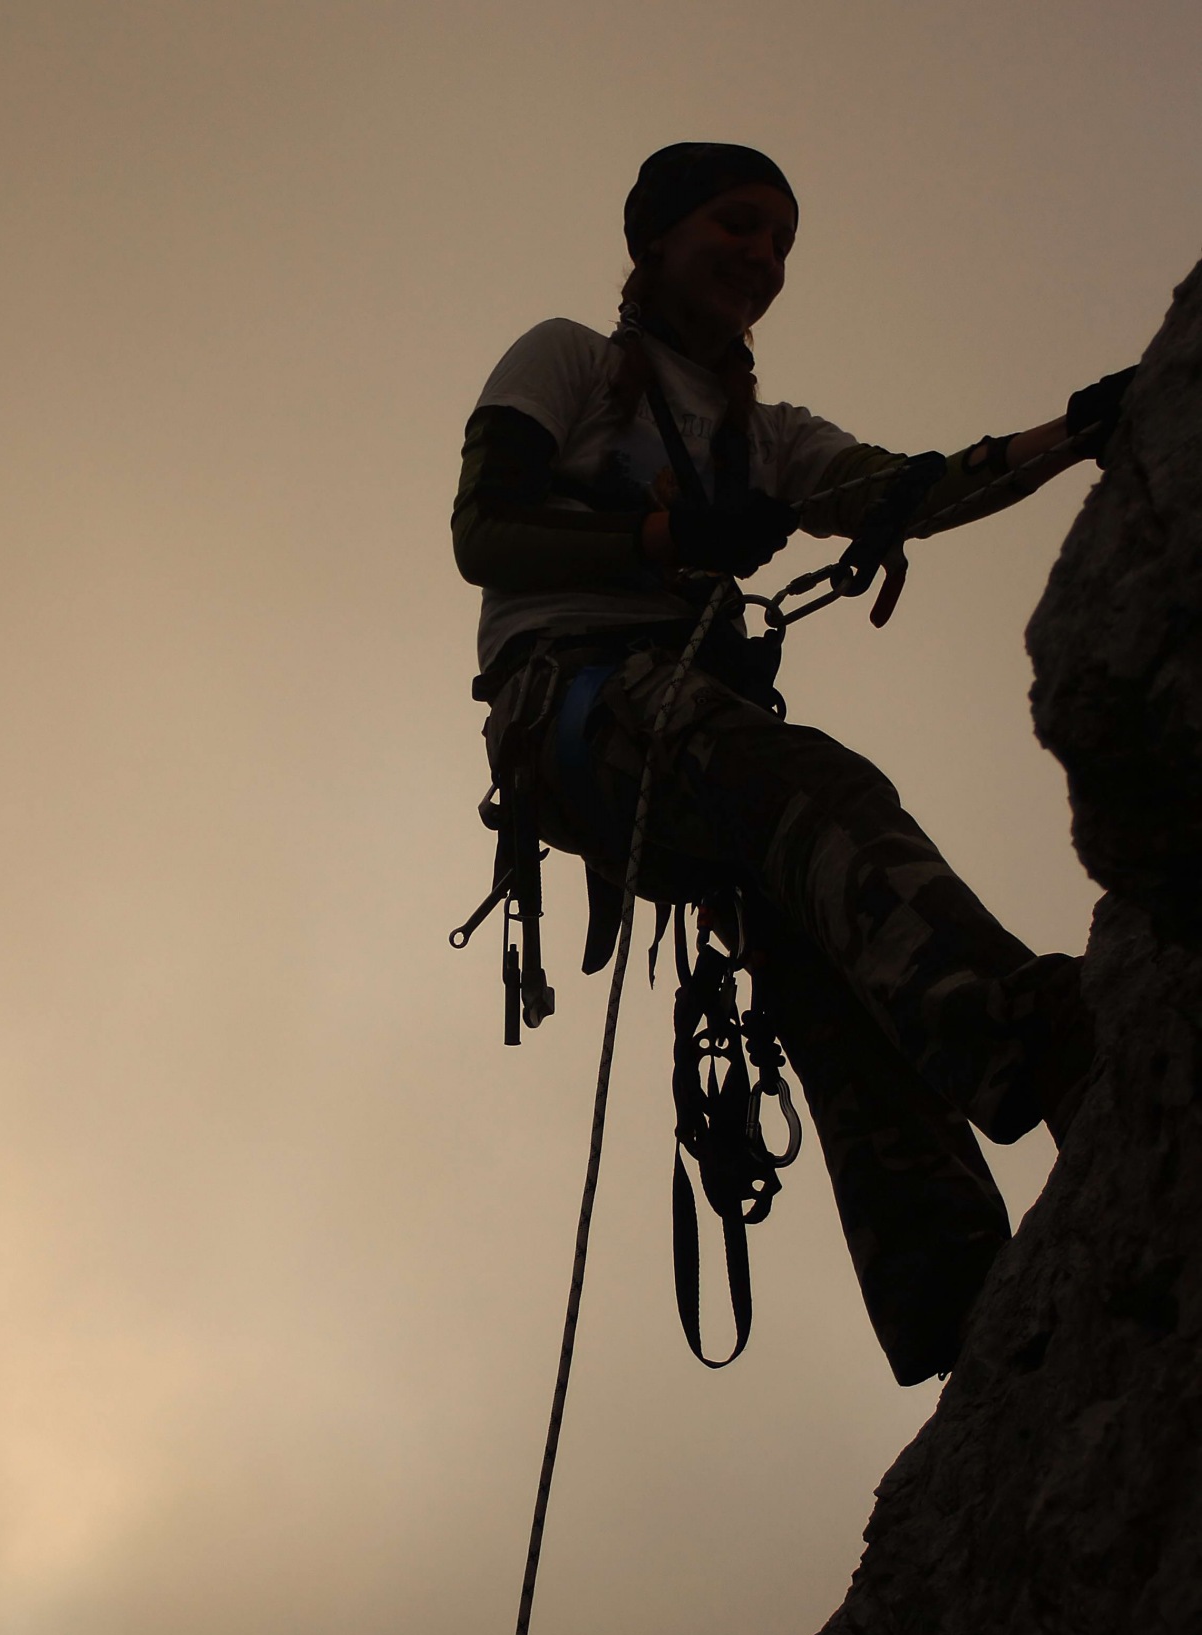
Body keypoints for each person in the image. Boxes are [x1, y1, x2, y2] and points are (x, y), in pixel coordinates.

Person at [452, 142, 1133, 1386]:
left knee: (834, 955)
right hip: (577, 704)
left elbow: (905, 492)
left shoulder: (764, 436)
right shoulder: (568, 360)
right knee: (815, 788)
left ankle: (957, 1305)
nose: (761, 257)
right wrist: (664, 536)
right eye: (736, 225)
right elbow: (484, 528)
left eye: (779, 242)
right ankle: (1036, 1036)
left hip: (677, 732)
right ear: (656, 237)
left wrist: (1074, 432)